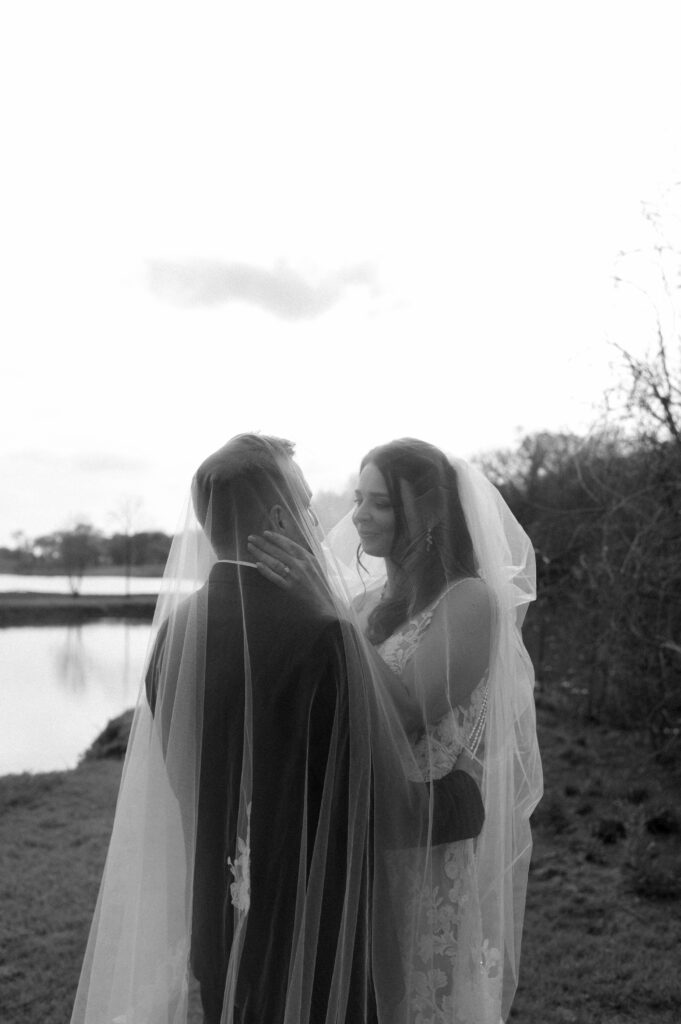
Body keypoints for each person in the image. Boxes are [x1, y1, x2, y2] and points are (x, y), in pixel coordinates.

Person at [70, 433, 487, 1024]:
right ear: (276, 517)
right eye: (308, 506)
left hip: (218, 907)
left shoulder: (176, 633)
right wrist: (460, 802)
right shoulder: (324, 637)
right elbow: (363, 792)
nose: (322, 523)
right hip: (310, 922)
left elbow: (189, 776)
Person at [249, 437, 543, 1023]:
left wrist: (327, 613)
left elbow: (406, 711)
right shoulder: (362, 605)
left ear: (428, 515)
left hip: (423, 844)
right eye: (359, 499)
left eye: (380, 503)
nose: (359, 514)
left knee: (414, 998)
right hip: (356, 839)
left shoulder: (469, 601)